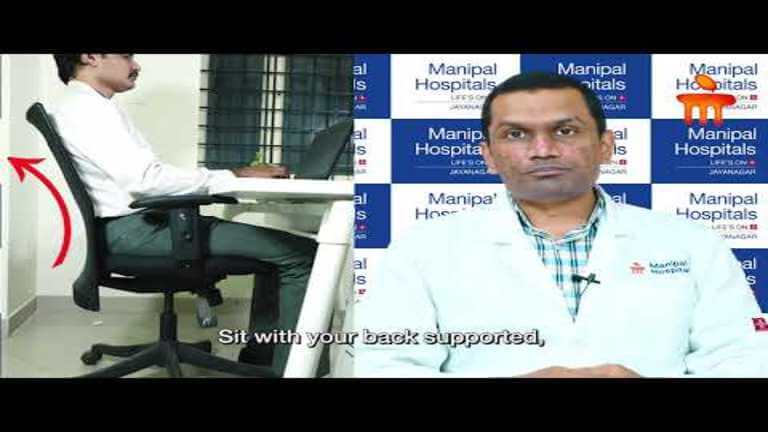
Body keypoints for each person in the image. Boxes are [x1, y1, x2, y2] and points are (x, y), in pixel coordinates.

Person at [354, 71, 768, 378]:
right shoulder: (423, 248)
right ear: (489, 155)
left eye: (565, 130)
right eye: (516, 134)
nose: (542, 150)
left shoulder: (691, 242)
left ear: (606, 145)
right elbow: (385, 367)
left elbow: (744, 361)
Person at [51, 53, 324, 377]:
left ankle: (261, 358)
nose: (135, 66)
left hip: (134, 226)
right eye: (126, 55)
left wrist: (230, 177)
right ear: (90, 56)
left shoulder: (85, 105)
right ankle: (293, 369)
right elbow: (146, 181)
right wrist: (234, 175)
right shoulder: (89, 110)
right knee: (301, 254)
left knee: (275, 252)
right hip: (136, 230)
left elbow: (145, 178)